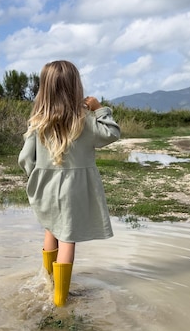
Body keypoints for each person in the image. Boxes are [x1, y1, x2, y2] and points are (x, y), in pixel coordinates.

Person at [18, 60, 121, 307]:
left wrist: (37, 176)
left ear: (45, 88)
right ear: (75, 86)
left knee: (51, 230)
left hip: (46, 186)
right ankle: (61, 300)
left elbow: (24, 158)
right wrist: (100, 109)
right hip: (74, 190)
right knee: (68, 238)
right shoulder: (85, 119)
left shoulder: (38, 120)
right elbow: (112, 134)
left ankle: (49, 282)